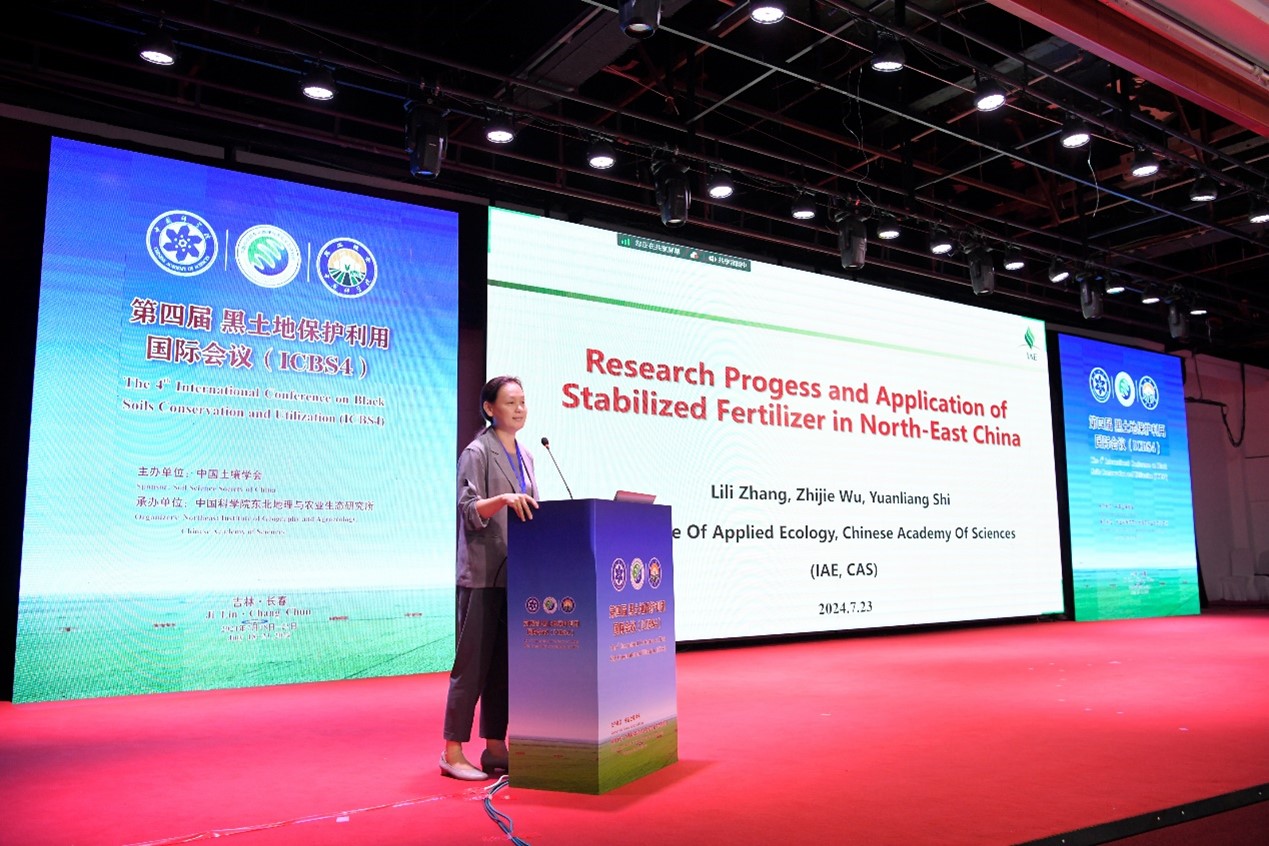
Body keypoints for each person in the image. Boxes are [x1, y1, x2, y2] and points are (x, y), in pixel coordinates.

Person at [440, 375, 539, 780]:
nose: (519, 409)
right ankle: (452, 751)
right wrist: (501, 499)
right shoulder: (477, 452)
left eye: (523, 401)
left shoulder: (528, 455)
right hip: (482, 574)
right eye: (510, 402)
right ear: (489, 408)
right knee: (472, 666)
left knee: (503, 667)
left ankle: (496, 748)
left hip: (516, 576)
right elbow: (468, 511)